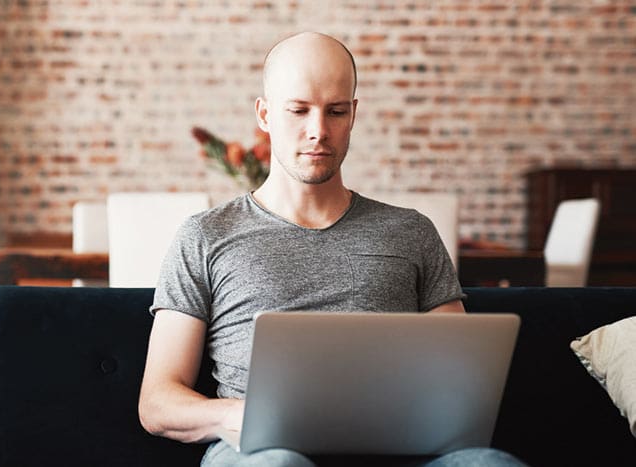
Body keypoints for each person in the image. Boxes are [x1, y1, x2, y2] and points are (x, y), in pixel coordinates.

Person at [138, 32, 528, 467]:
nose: (318, 131)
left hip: (398, 452)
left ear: (354, 114)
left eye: (336, 111)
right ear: (265, 115)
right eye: (299, 110)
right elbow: (158, 403)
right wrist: (243, 415)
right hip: (263, 454)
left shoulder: (412, 231)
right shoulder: (205, 235)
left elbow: (462, 387)